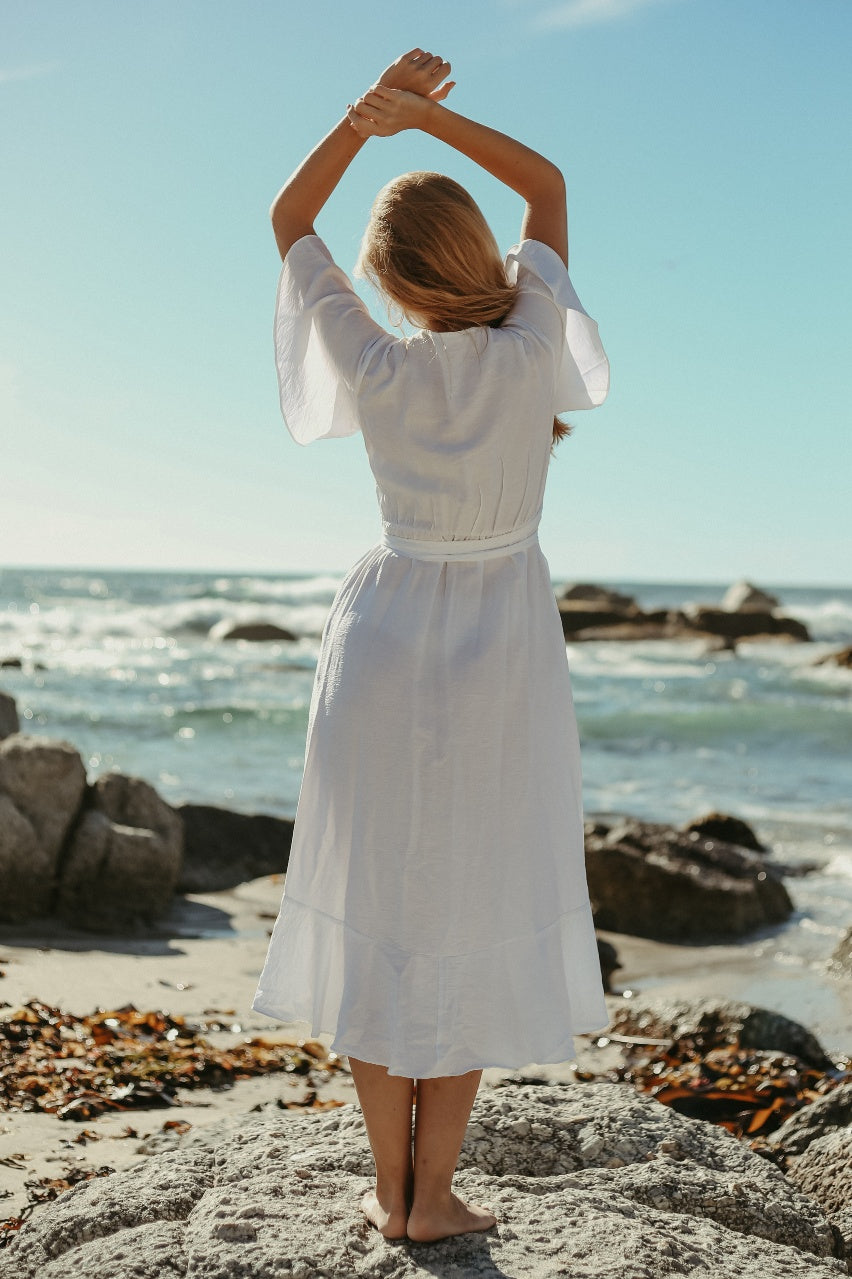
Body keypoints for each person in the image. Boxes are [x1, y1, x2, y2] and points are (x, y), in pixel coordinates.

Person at [252, 48, 611, 1244]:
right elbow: (550, 185)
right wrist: (429, 128)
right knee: (470, 906)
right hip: (502, 645)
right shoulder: (527, 352)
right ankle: (432, 1195)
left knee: (383, 908)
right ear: (476, 257)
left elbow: (286, 215)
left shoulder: (377, 359)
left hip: (385, 637)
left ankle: (389, 1187)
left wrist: (363, 123)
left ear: (392, 281)